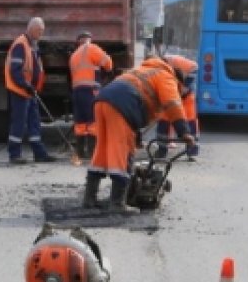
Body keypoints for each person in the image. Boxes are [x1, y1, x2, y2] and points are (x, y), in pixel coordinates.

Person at [83, 56, 196, 213]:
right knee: (121, 151)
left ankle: (89, 199)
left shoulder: (144, 70)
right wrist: (184, 132)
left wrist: (136, 135)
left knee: (102, 149)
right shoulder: (166, 76)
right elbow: (172, 104)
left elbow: (138, 101)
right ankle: (117, 204)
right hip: (121, 105)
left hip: (103, 100)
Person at [4, 16, 54, 164]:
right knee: (19, 123)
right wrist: (25, 85)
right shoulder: (20, 45)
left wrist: (33, 87)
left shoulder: (32, 45)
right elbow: (15, 71)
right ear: (31, 29)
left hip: (30, 92)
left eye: (42, 31)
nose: (41, 34)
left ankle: (39, 153)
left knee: (34, 122)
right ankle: (14, 154)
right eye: (39, 31)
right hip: (21, 91)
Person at [69, 31, 113, 158]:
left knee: (80, 121)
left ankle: (80, 151)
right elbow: (108, 63)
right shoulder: (91, 48)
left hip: (77, 92)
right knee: (93, 120)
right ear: (89, 40)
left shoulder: (73, 56)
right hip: (90, 91)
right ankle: (92, 151)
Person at [153, 55, 201, 160]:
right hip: (170, 97)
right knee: (163, 122)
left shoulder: (174, 61)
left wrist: (185, 86)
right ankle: (162, 150)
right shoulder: (157, 70)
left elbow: (194, 67)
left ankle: (192, 151)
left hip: (186, 98)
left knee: (190, 123)